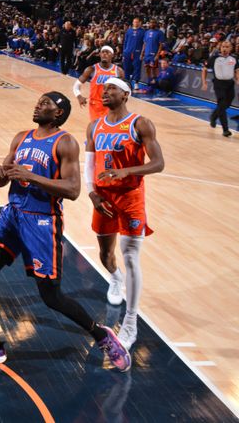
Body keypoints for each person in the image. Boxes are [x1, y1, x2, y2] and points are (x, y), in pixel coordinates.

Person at [0, 92, 131, 373]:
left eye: (47, 103)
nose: (39, 104)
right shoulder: (21, 137)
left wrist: (32, 177)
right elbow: (4, 174)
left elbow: (73, 189)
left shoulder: (65, 143)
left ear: (59, 114)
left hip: (42, 221)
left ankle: (101, 335)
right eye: (39, 101)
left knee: (51, 297)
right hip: (12, 214)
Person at [85, 78, 165, 350]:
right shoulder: (94, 125)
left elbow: (158, 163)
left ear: (125, 94)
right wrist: (92, 194)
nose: (105, 92)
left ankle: (130, 323)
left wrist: (127, 171)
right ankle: (115, 279)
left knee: (131, 256)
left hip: (130, 197)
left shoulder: (140, 124)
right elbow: (89, 165)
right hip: (103, 197)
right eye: (104, 89)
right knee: (105, 255)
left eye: (112, 89)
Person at [73, 45, 125, 121]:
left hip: (111, 104)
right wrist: (79, 96)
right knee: (97, 130)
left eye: (107, 52)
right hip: (96, 105)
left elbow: (123, 91)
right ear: (99, 54)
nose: (104, 54)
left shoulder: (119, 71)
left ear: (112, 55)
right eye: (102, 52)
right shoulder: (91, 69)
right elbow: (76, 85)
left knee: (110, 129)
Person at [203, 41, 238, 137]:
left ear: (231, 48)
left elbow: (236, 70)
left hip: (230, 84)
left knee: (227, 104)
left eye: (227, 47)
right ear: (220, 47)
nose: (225, 49)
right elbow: (204, 69)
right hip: (219, 84)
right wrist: (204, 82)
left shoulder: (234, 58)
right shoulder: (214, 58)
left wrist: (238, 79)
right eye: (223, 46)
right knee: (222, 104)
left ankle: (214, 116)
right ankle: (225, 130)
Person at [139, 20, 165, 87]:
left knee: (153, 69)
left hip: (154, 54)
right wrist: (142, 53)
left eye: (153, 22)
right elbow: (144, 44)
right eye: (151, 22)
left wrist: (157, 54)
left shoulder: (160, 33)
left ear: (156, 24)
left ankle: (155, 83)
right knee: (147, 68)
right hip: (147, 54)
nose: (152, 24)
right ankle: (149, 81)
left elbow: (161, 45)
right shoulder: (147, 32)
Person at [122, 18, 145, 90]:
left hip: (137, 52)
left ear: (140, 23)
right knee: (126, 68)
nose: (136, 23)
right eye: (135, 22)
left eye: (137, 22)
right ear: (133, 22)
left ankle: (136, 83)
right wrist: (124, 52)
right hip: (128, 52)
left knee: (137, 68)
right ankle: (127, 82)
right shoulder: (128, 31)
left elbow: (144, 43)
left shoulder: (143, 32)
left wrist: (142, 53)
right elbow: (125, 42)